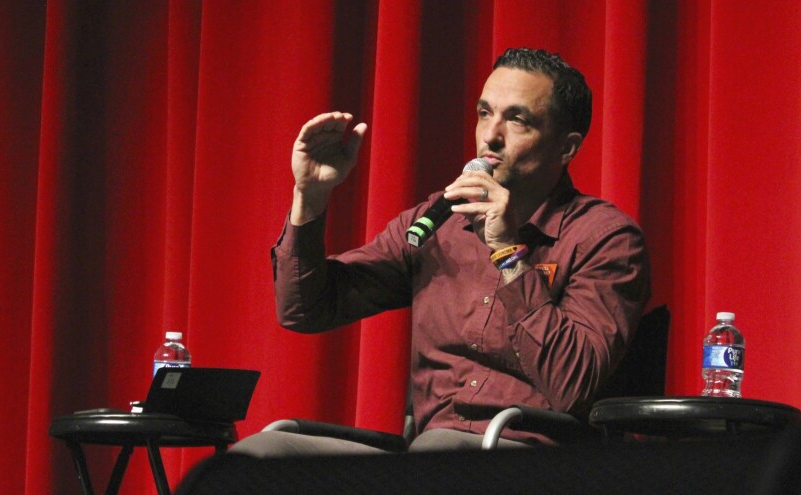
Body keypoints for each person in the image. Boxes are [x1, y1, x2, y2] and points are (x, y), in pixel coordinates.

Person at [231, 48, 650, 457]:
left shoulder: (605, 238)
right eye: (485, 113)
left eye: (517, 120)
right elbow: (305, 310)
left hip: (533, 461)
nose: (491, 136)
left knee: (438, 449)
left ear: (567, 147)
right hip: (428, 457)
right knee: (259, 454)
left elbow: (573, 384)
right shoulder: (438, 223)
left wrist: (507, 252)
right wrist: (311, 196)